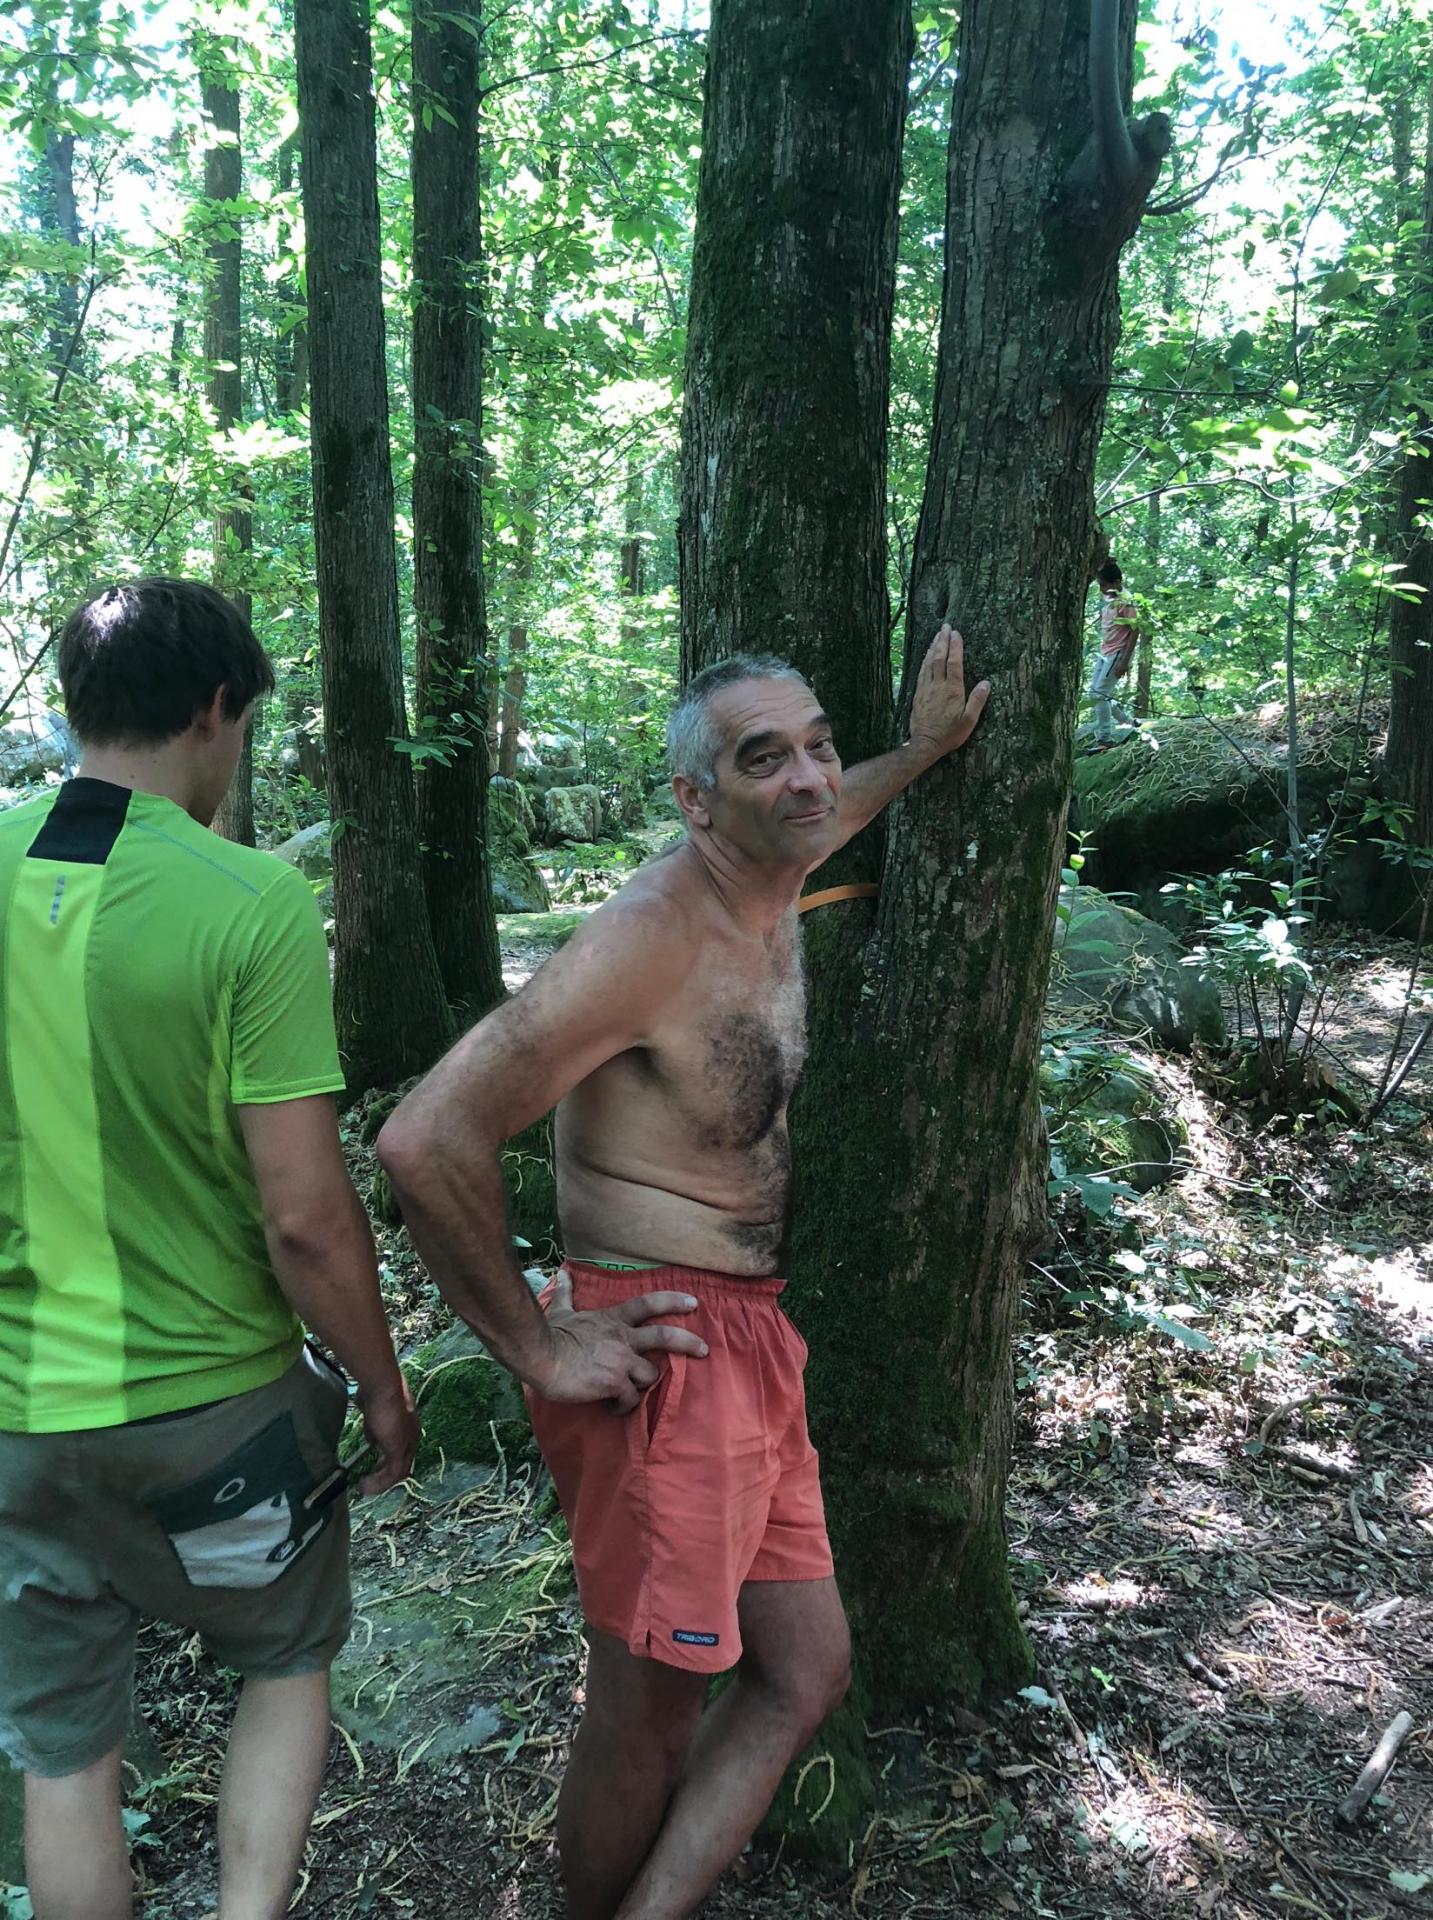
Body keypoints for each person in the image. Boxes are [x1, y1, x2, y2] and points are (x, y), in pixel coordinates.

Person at [377, 625, 990, 1920]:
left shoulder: (781, 858)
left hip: (751, 1342)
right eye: (764, 757)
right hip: (661, 1349)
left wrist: (922, 749)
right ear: (693, 800)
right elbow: (424, 1138)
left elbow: (831, 805)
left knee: (804, 1670)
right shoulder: (647, 938)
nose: (808, 776)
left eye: (818, 745)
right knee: (648, 1710)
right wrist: (537, 1344)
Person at [0, 579, 418, 1920]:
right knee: (282, 1660)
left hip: (21, 1420)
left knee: (66, 1751)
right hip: (217, 1420)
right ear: (215, 709)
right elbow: (302, 1214)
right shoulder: (248, 900)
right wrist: (381, 1384)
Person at [1086, 557, 1141, 749]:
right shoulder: (1110, 595)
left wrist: (1124, 661)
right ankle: (1129, 722)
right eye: (1100, 585)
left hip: (1117, 653)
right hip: (1105, 651)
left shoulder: (1126, 601)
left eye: (1104, 585)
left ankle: (1105, 738)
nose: (1101, 589)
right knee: (1097, 693)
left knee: (1099, 695)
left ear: (1117, 583)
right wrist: (1103, 562)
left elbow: (1135, 630)